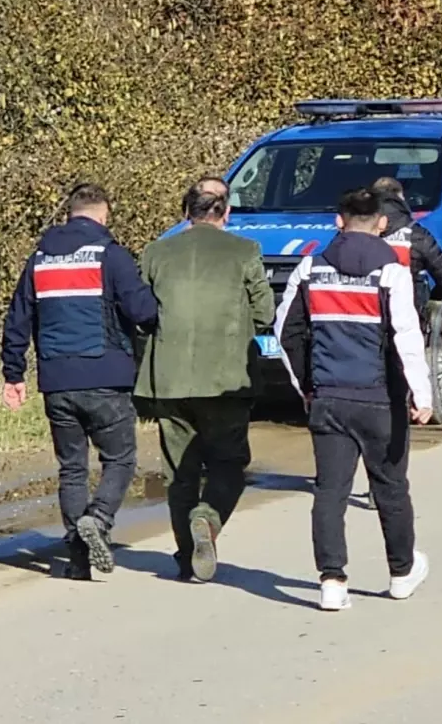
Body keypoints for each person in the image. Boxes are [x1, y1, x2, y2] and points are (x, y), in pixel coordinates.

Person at [275, 187, 434, 611]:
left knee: (330, 491)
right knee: (391, 488)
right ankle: (401, 573)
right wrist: (421, 393)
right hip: (381, 401)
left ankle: (332, 581)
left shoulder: (309, 269)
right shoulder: (392, 271)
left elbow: (284, 332)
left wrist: (307, 387)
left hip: (328, 397)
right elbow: (407, 338)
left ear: (338, 222)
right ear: (382, 224)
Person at [1, 183, 159, 580]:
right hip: (106, 375)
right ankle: (100, 519)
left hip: (57, 380)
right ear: (103, 215)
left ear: (69, 214)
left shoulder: (38, 260)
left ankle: (77, 560)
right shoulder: (112, 256)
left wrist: (13, 374)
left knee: (72, 469)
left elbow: (17, 319)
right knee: (120, 459)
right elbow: (143, 312)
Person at [135, 179, 275, 582]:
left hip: (168, 379)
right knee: (229, 462)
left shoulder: (156, 252)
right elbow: (264, 313)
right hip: (226, 379)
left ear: (185, 212)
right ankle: (208, 519)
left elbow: (141, 317)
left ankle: (186, 557)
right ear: (225, 212)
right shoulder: (245, 251)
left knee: (181, 472)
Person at [368, 176, 442, 338]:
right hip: (406, 320)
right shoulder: (417, 235)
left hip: (364, 321)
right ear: (401, 198)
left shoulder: (355, 232)